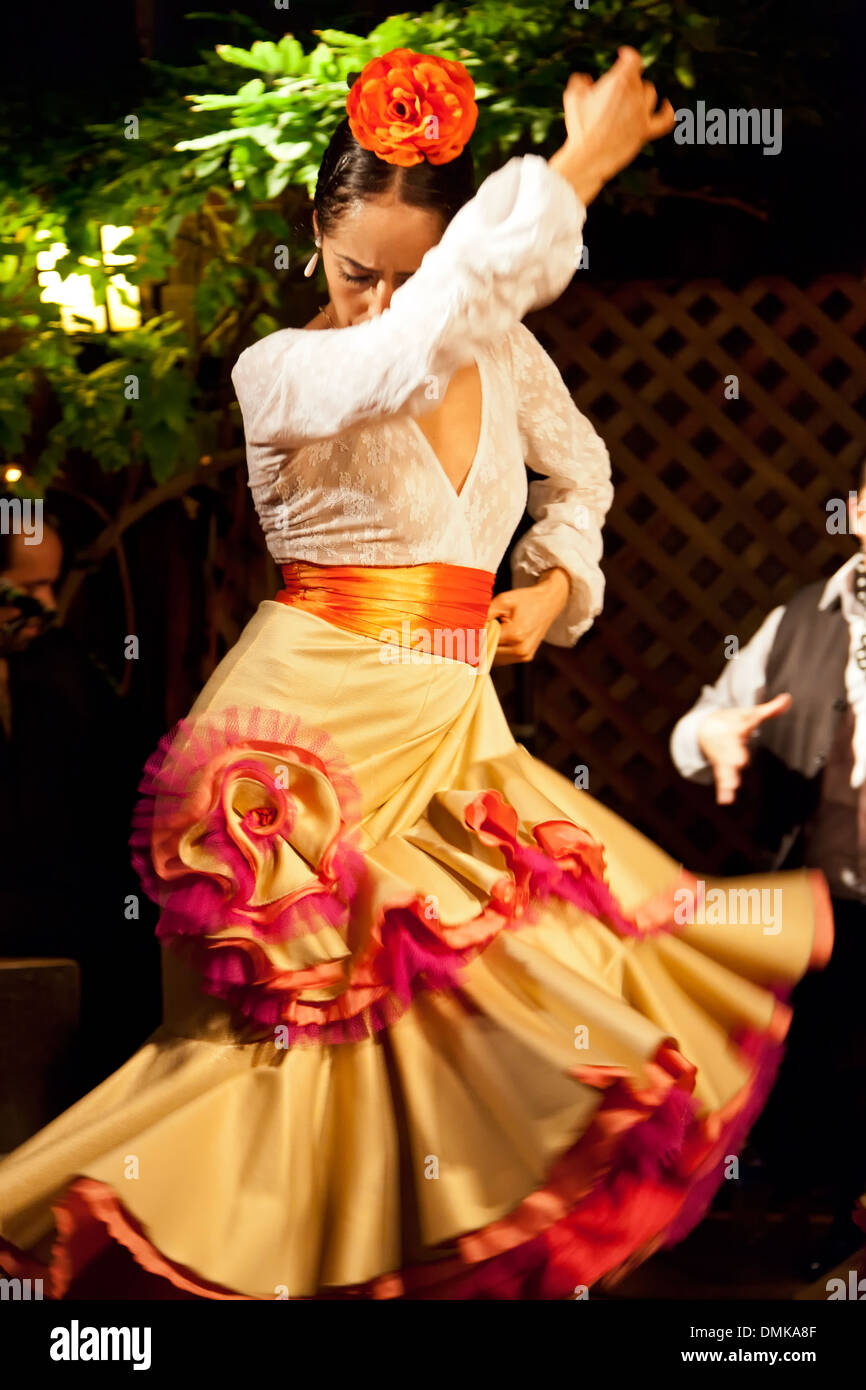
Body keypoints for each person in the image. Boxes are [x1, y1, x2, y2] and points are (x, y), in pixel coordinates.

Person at [0, 47, 831, 1301]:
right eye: (353, 273)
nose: (378, 301)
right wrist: (573, 171)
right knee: (276, 1063)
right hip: (305, 746)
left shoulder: (500, 356)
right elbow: (412, 346)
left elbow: (582, 473)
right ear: (316, 250)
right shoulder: (287, 370)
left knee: (515, 1019)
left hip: (453, 723)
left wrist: (548, 588)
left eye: (408, 272)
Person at [670, 464, 866, 1277]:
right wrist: (714, 736)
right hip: (829, 904)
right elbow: (701, 725)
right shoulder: (798, 620)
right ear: (857, 508)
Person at [0, 502, 159, 1099]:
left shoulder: (61, 660)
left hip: (61, 907)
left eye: (50, 582)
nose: (43, 600)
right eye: (28, 583)